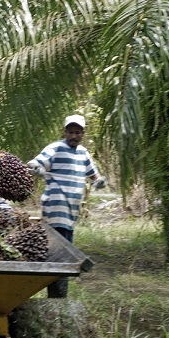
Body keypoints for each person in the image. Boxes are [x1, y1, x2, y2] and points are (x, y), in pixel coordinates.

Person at [28, 115, 105, 297]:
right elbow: (34, 163)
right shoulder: (55, 148)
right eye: (70, 132)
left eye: (77, 133)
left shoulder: (83, 153)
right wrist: (36, 169)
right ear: (65, 132)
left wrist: (100, 181)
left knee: (65, 250)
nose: (73, 136)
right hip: (56, 208)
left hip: (71, 212)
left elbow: (94, 175)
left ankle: (58, 293)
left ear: (82, 134)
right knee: (60, 252)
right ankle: (57, 295)